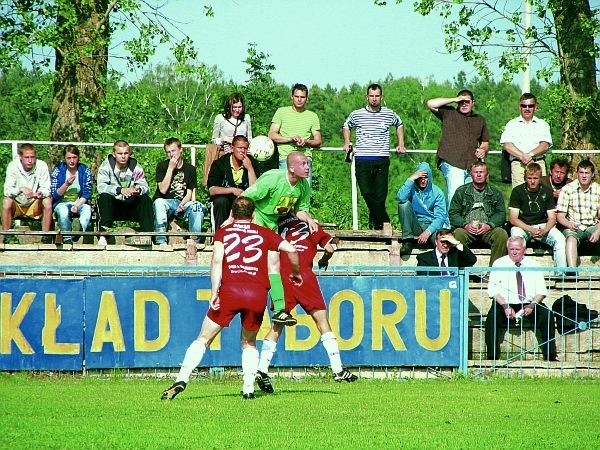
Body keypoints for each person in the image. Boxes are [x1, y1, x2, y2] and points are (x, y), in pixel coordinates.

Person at [161, 197, 301, 401]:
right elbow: (292, 249)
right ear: (253, 215)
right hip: (256, 293)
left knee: (204, 338)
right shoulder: (264, 233)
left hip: (230, 291)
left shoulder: (223, 232)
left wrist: (214, 291)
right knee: (249, 342)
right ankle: (248, 388)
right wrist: (295, 272)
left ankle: (181, 379)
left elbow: (217, 262)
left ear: (232, 214)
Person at [255, 214, 357, 394]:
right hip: (303, 275)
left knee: (277, 324)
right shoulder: (311, 224)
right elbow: (330, 248)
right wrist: (324, 260)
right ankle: (338, 369)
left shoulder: (275, 223)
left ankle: (262, 369)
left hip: (282, 275)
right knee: (322, 321)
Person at [243, 151, 317, 326]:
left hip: (273, 225)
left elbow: (299, 210)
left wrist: (309, 219)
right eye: (303, 164)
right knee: (256, 264)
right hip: (257, 220)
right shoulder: (272, 178)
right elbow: (245, 197)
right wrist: (233, 219)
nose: (307, 167)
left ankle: (279, 310)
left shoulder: (303, 185)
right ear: (291, 168)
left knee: (274, 264)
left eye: (307, 164)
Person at [343, 83, 406, 230]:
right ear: (367, 97)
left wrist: (401, 143)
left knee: (380, 196)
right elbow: (347, 125)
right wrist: (347, 142)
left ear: (381, 97)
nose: (374, 99)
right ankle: (385, 221)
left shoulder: (389, 113)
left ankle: (377, 228)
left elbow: (399, 124)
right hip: (363, 158)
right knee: (366, 192)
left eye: (377, 96)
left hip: (382, 159)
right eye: (371, 96)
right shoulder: (357, 114)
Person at [485, 236, 558, 361]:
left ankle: (550, 356)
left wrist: (531, 305)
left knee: (547, 315)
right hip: (504, 303)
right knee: (492, 318)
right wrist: (505, 306)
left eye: (517, 249)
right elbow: (493, 290)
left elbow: (541, 291)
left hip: (529, 303)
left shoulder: (534, 264)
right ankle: (492, 356)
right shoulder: (498, 263)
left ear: (524, 249)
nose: (514, 252)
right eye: (511, 249)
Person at [427, 89, 490, 205]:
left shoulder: (479, 120)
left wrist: (483, 150)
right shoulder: (448, 113)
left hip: (472, 165)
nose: (464, 104)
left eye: (467, 101)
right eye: (461, 101)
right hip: (452, 161)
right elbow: (430, 103)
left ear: (473, 103)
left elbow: (485, 142)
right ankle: (452, 223)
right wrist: (454, 99)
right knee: (456, 196)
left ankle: (468, 223)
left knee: (472, 199)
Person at [449, 161, 508, 266]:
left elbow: (501, 214)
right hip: (467, 230)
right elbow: (453, 214)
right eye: (476, 172)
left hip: (487, 230)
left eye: (481, 172)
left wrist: (489, 225)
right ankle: (464, 269)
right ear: (471, 174)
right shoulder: (461, 192)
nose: (479, 175)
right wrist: (465, 225)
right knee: (457, 234)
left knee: (501, 234)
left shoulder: (495, 193)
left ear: (487, 174)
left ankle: (494, 270)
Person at [508, 162, 566, 268]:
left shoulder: (547, 191)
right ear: (525, 177)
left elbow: (552, 218)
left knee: (560, 239)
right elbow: (513, 219)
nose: (532, 181)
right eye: (529, 178)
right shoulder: (517, 191)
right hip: (523, 226)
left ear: (540, 178)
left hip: (542, 225)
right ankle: (516, 270)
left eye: (535, 178)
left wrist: (544, 230)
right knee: (515, 238)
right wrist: (530, 229)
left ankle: (561, 274)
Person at [96, 140, 153, 245]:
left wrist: (139, 190)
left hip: (131, 203)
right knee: (104, 197)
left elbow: (145, 187)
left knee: (145, 200)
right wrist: (119, 190)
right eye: (120, 153)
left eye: (126, 153)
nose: (123, 156)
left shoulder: (136, 167)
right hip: (114, 204)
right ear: (114, 154)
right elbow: (101, 187)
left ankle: (149, 235)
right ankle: (103, 236)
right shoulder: (105, 166)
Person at [153, 137, 205, 246]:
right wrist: (170, 168)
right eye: (168, 152)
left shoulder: (190, 169)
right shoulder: (162, 166)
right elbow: (162, 190)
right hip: (165, 202)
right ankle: (161, 241)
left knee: (197, 206)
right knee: (159, 203)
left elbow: (190, 193)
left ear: (180, 150)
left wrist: (183, 203)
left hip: (182, 203)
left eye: (173, 151)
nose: (171, 154)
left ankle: (195, 242)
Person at [268, 83, 322, 181]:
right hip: (286, 159)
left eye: (302, 97)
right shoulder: (281, 112)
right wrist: (290, 139)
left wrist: (306, 142)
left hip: (304, 159)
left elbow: (318, 140)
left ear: (307, 98)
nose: (299, 99)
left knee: (304, 193)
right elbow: (271, 134)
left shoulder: (312, 116)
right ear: (292, 97)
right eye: (297, 96)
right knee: (285, 192)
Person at [2, 143, 52, 243]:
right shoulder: (13, 166)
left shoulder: (41, 165)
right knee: (6, 202)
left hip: (35, 205)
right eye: (27, 157)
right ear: (20, 157)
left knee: (47, 202)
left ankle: (45, 236)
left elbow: (47, 189)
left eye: (32, 157)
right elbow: (7, 190)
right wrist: (20, 189)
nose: (30, 160)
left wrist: (40, 193)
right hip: (17, 205)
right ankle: (7, 236)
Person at [500, 93, 553, 188]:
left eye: (530, 106)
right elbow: (507, 145)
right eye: (524, 106)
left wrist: (530, 155)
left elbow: (545, 145)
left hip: (538, 162)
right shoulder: (511, 124)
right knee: (519, 195)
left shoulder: (542, 124)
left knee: (540, 194)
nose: (527, 108)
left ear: (535, 107)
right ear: (519, 107)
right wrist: (522, 156)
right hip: (518, 165)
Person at [396, 161, 448, 256]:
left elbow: (440, 217)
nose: (423, 180)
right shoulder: (411, 188)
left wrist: (428, 232)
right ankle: (408, 241)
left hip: (431, 226)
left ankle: (441, 265)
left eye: (425, 177)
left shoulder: (437, 192)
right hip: (416, 224)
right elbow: (400, 197)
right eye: (420, 178)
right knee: (403, 204)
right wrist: (410, 179)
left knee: (440, 241)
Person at [207, 135, 258, 230]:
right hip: (226, 197)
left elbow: (255, 189)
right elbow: (212, 190)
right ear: (232, 148)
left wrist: (250, 168)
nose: (242, 151)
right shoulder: (219, 164)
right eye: (239, 148)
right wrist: (232, 190)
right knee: (221, 201)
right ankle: (220, 234)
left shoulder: (252, 163)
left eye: (245, 148)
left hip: (245, 197)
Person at [556, 159, 600, 268]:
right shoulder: (567, 189)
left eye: (587, 173)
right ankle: (573, 272)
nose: (584, 176)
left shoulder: (598, 190)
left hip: (593, 225)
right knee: (570, 238)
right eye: (581, 173)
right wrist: (569, 224)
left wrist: (598, 231)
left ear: (592, 174)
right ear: (577, 173)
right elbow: (560, 216)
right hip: (574, 226)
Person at [203, 92, 253, 186]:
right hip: (225, 155)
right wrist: (224, 139)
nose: (237, 110)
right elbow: (214, 139)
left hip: (242, 155)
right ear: (229, 107)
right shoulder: (220, 118)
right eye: (234, 107)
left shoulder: (246, 118)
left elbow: (249, 138)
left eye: (239, 107)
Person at [50, 145, 94, 244]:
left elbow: (87, 194)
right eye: (69, 158)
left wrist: (76, 205)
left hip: (78, 202)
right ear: (64, 159)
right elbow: (55, 194)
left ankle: (78, 231)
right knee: (63, 211)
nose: (72, 161)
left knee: (87, 210)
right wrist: (66, 184)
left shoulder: (84, 170)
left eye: (74, 157)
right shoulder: (59, 169)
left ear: (78, 158)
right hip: (61, 203)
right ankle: (67, 238)